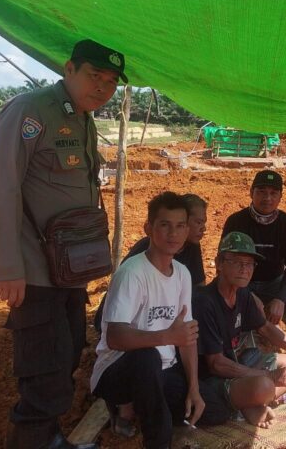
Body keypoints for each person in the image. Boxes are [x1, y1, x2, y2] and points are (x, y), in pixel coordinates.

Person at [0, 38, 127, 449]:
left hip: (69, 267)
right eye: (95, 76)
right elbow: (3, 189)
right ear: (69, 69)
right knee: (43, 367)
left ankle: (51, 439)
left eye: (111, 81)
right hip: (34, 269)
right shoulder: (30, 111)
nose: (103, 87)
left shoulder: (82, 118)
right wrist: (7, 268)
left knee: (67, 352)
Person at [91, 191, 207, 449]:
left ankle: (137, 408)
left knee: (205, 407)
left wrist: (194, 389)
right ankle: (155, 438)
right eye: (164, 225)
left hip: (162, 372)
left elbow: (186, 338)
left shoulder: (183, 274)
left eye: (179, 226)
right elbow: (115, 337)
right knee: (148, 359)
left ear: (187, 230)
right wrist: (167, 337)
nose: (173, 234)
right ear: (148, 228)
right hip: (118, 370)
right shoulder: (132, 273)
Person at [193, 232, 286, 428]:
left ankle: (250, 404)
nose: (245, 269)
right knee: (264, 386)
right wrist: (268, 376)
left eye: (249, 263)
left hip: (239, 362)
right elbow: (216, 365)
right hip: (212, 378)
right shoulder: (205, 302)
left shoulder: (243, 293)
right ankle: (250, 402)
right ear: (219, 263)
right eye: (237, 262)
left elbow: (266, 328)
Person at [93, 193, 207, 332]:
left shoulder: (188, 255)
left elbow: (200, 288)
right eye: (198, 222)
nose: (203, 228)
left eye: (179, 226)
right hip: (132, 332)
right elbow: (116, 333)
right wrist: (168, 337)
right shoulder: (140, 260)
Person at [221, 170, 286, 325]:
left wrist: (281, 299)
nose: (267, 198)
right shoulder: (236, 221)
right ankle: (251, 314)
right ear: (251, 192)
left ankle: (275, 318)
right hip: (242, 282)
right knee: (226, 309)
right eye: (262, 192)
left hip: (274, 283)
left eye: (273, 193)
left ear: (280, 197)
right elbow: (224, 264)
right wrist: (246, 294)